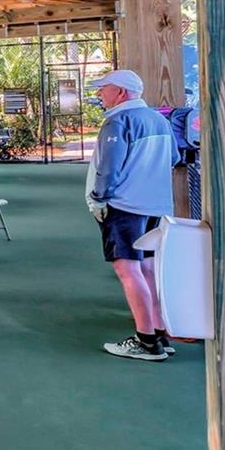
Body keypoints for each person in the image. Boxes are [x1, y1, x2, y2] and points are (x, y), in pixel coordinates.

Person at [86, 69, 177, 361]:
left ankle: (145, 341)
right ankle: (159, 332)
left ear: (121, 92)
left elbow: (108, 168)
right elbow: (174, 158)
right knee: (147, 268)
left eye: (104, 88)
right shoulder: (159, 120)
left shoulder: (117, 121)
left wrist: (99, 198)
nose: (100, 93)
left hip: (125, 207)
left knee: (127, 270)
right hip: (156, 208)